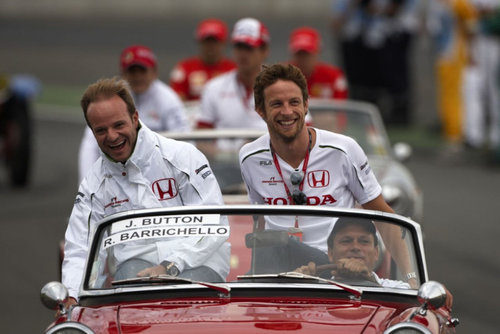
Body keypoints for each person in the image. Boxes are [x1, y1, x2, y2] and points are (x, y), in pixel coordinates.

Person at [239, 63, 415, 286]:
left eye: (294, 102)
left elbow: (385, 218)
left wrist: (412, 279)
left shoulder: (344, 150)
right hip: (279, 275)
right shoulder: (249, 157)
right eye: (276, 104)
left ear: (306, 106)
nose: (286, 112)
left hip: (338, 273)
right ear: (261, 111)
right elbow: (260, 222)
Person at [62, 77, 229, 307]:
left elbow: (215, 223)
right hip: (134, 272)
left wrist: (171, 265)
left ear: (135, 118)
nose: (112, 136)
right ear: (92, 131)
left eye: (118, 125)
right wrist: (72, 295)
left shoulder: (183, 156)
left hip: (197, 266)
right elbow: (82, 249)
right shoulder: (93, 185)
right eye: (101, 130)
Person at [78, 45, 189, 182]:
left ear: (154, 72)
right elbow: (90, 144)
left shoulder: (168, 99)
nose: (137, 77)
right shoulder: (112, 99)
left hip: (161, 171)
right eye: (132, 72)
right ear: (123, 74)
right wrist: (86, 182)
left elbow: (184, 140)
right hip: (119, 170)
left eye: (142, 71)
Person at [196, 17, 270, 129]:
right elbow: (201, 137)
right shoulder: (213, 88)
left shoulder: (281, 88)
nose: (243, 54)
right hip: (223, 147)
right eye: (239, 47)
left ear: (264, 51)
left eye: (249, 47)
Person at [295, 218, 410, 289]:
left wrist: (369, 279)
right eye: (346, 241)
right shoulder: (314, 288)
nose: (355, 247)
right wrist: (298, 284)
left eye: (364, 241)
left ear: (376, 253)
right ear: (330, 252)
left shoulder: (399, 290)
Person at [170, 18, 236, 101]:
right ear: (199, 42)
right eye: (207, 41)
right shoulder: (184, 69)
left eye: (214, 41)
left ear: (224, 43)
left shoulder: (233, 70)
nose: (210, 46)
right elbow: (176, 101)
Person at [289, 26, 348, 99]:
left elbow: (340, 108)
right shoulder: (282, 76)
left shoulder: (334, 77)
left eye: (307, 54)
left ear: (318, 51)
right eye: (299, 54)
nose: (303, 59)